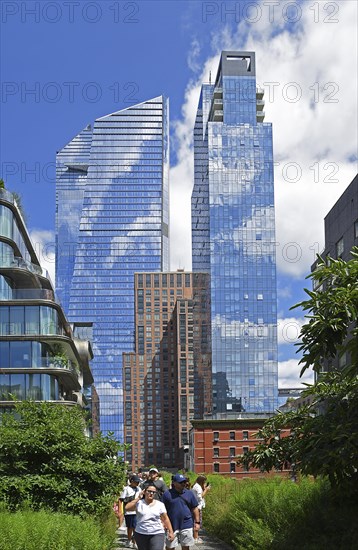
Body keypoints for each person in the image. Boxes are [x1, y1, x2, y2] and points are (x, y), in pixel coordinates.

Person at [125, 484, 175, 550]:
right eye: (149, 491)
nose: (151, 493)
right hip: (141, 533)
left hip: (157, 533)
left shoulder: (160, 505)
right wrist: (138, 498)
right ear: (144, 492)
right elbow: (127, 508)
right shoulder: (139, 503)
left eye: (153, 492)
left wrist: (171, 532)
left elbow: (165, 519)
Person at [163, 473, 200, 550]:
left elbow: (195, 508)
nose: (183, 484)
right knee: (170, 546)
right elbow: (162, 510)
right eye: (181, 482)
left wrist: (197, 522)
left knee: (186, 546)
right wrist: (163, 522)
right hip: (172, 524)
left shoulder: (189, 493)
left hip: (187, 523)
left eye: (184, 482)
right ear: (174, 483)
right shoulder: (167, 494)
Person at [120, 474, 142, 548]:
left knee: (136, 527)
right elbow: (121, 499)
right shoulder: (126, 489)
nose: (137, 483)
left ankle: (134, 542)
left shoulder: (139, 489)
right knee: (129, 527)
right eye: (136, 482)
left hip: (137, 511)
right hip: (129, 511)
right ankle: (129, 540)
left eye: (138, 482)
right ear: (131, 481)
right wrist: (120, 511)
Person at [191, 476, 211, 544]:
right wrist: (206, 490)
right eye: (204, 481)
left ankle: (195, 536)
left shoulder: (196, 486)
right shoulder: (198, 487)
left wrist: (204, 488)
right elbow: (200, 497)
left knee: (196, 522)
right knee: (197, 522)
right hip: (198, 507)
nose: (204, 483)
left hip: (196, 506)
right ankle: (195, 538)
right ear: (201, 481)